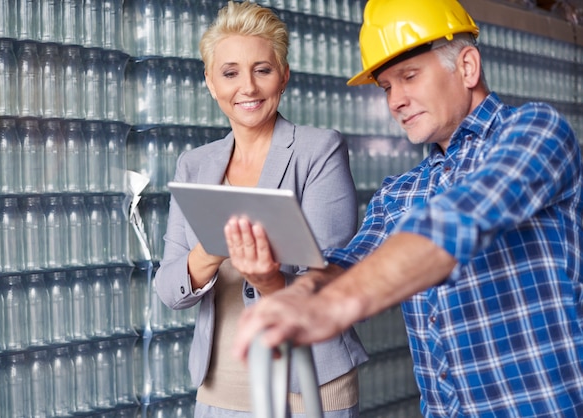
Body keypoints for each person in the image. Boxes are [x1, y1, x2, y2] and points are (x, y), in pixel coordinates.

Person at [232, 0, 583, 416]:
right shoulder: (401, 191)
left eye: (409, 76)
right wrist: (293, 289)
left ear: (467, 67)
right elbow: (348, 266)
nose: (395, 100)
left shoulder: (537, 133)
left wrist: (333, 305)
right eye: (386, 87)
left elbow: (456, 222)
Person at [154, 2, 368, 417]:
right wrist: (211, 248)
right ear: (212, 83)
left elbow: (332, 281)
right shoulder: (194, 166)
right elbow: (168, 290)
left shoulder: (318, 150)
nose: (247, 88)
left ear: (283, 76)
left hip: (308, 382)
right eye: (230, 72)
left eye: (262, 70)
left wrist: (270, 278)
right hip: (221, 387)